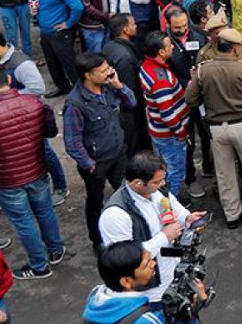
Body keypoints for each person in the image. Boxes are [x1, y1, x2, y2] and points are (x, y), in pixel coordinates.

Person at [185, 28, 242, 229]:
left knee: (225, 174)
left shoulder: (203, 69)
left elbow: (190, 99)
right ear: (235, 48)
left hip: (217, 128)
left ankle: (232, 215)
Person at [98, 153, 207, 310]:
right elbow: (124, 261)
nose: (162, 183)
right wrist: (164, 237)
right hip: (152, 294)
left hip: (176, 278)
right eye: (157, 181)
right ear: (137, 183)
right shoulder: (115, 215)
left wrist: (188, 218)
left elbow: (175, 208)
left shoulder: (158, 191)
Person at [65, 53, 134, 254]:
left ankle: (129, 233)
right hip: (96, 162)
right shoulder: (75, 104)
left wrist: (119, 86)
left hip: (118, 153)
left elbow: (132, 103)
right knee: (95, 201)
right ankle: (98, 240)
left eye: (107, 67)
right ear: (88, 75)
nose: (109, 72)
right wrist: (88, 163)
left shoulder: (109, 88)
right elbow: (72, 141)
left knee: (128, 194)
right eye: (103, 70)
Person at [0, 71, 65, 280]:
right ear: (9, 79)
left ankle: (39, 265)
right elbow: (51, 132)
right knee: (45, 211)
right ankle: (55, 249)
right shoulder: (33, 103)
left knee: (23, 221)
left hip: (7, 179)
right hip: (37, 169)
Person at [83, 239, 206, 324]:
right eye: (146, 264)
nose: (153, 263)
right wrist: (191, 310)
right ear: (126, 281)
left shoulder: (95, 296)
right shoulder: (145, 320)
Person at [139, 31, 190, 199]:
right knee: (175, 171)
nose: (173, 47)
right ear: (161, 52)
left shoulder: (147, 66)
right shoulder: (160, 79)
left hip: (158, 130)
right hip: (169, 134)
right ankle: (170, 205)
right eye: (170, 45)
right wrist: (181, 132)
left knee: (166, 167)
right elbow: (167, 113)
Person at [34, 0, 84, 97]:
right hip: (45, 32)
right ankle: (62, 87)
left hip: (59, 33)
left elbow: (77, 6)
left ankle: (80, 91)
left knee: (69, 64)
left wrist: (68, 23)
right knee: (52, 64)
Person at [104, 14, 152, 157]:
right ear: (125, 29)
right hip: (130, 111)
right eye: (133, 24)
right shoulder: (125, 57)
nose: (136, 26)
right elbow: (128, 90)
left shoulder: (110, 46)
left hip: (122, 107)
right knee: (135, 145)